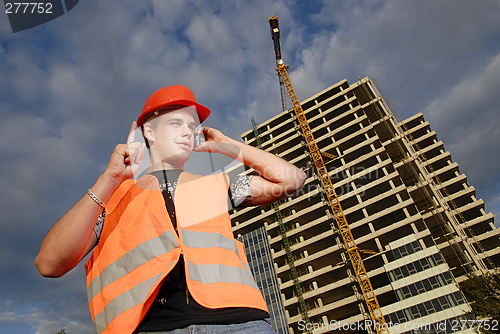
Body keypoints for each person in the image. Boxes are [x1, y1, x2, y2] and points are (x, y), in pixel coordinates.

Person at [35, 85, 307, 334]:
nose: (188, 131)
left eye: (192, 125)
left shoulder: (218, 186)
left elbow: (291, 179)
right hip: (151, 328)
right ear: (149, 132)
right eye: (176, 122)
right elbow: (49, 263)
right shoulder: (112, 198)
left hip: (238, 322)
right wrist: (110, 178)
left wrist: (229, 146)